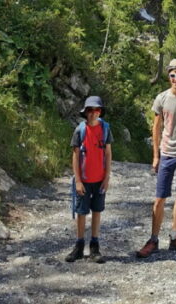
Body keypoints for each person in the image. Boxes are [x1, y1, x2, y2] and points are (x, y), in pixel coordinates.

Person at [136, 59, 176, 258]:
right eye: (172, 75)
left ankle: (175, 236)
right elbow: (156, 128)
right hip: (166, 153)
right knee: (159, 199)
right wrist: (155, 156)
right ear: (169, 77)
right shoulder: (161, 98)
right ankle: (153, 240)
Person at [65, 95, 112, 264]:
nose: (93, 113)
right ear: (85, 112)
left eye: (97, 110)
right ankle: (79, 246)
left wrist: (107, 178)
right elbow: (76, 156)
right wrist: (78, 181)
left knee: (97, 211)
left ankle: (94, 245)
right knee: (81, 212)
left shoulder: (105, 129)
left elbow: (107, 153)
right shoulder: (80, 130)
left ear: (100, 112)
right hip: (84, 180)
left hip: (99, 180)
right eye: (90, 110)